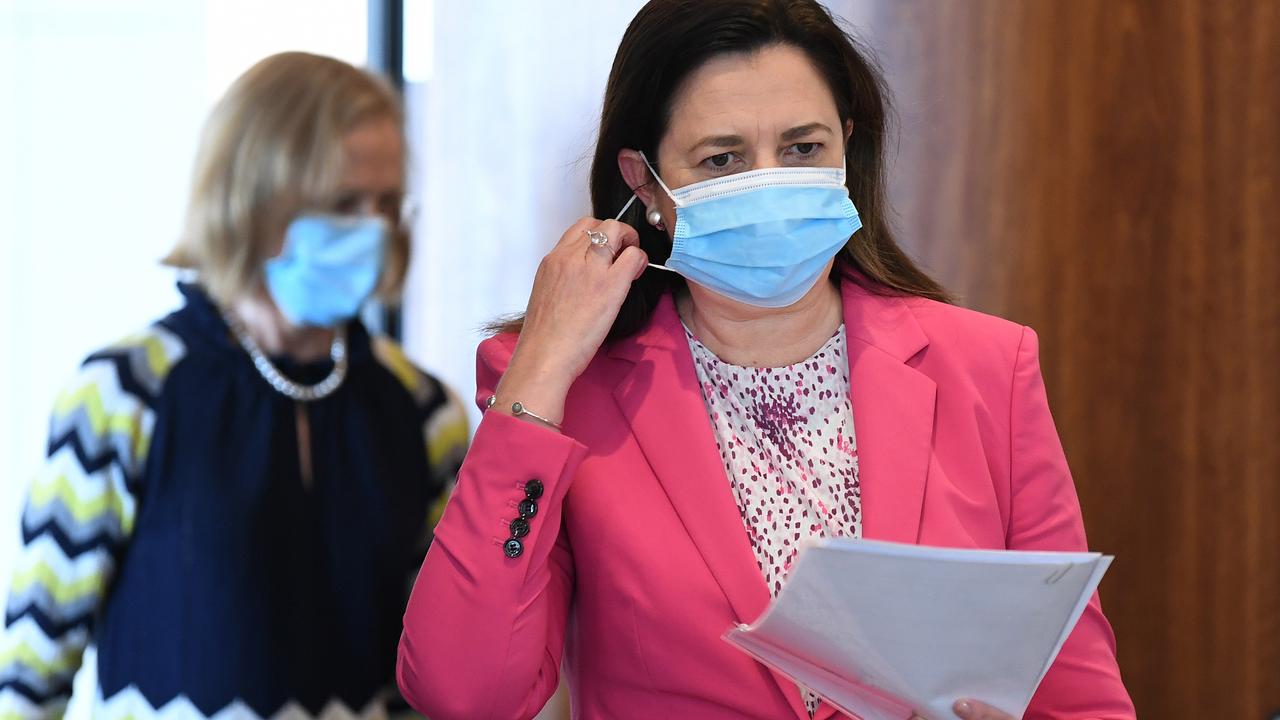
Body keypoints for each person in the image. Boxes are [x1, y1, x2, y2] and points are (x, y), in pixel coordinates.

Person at [397, 1, 1134, 719]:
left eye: (803, 149)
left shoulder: (987, 367)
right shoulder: (567, 389)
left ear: (849, 143)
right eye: (722, 159)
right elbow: (466, 694)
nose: (769, 181)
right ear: (644, 183)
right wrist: (539, 372)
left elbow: (1081, 696)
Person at [0, 52, 468, 718]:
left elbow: (444, 668)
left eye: (387, 203)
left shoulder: (423, 409)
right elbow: (32, 669)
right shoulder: (126, 392)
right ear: (253, 199)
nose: (373, 229)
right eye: (342, 203)